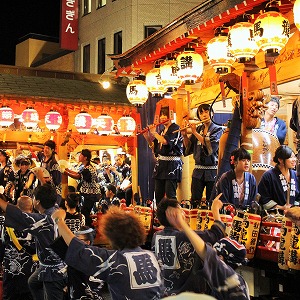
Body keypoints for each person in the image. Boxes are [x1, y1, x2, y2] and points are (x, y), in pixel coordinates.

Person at [51, 206, 163, 300]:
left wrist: (59, 220)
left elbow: (80, 250)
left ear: (113, 237)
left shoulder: (114, 260)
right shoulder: (152, 256)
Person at [166, 204, 250, 300]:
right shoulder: (237, 280)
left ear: (221, 258)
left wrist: (182, 223)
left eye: (214, 252)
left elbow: (205, 252)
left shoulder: (227, 277)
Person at [0, 184, 67, 300]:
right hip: (54, 263)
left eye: (34, 197)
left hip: (53, 270)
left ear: (37, 202)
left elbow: (18, 215)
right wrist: (42, 178)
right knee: (33, 283)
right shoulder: (55, 210)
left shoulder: (41, 220)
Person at [151, 195, 225, 296]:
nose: (184, 213)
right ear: (172, 215)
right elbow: (216, 234)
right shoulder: (184, 236)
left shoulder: (156, 236)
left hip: (164, 294)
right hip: (188, 295)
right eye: (180, 211)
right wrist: (215, 210)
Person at [182, 104, 223, 208]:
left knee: (211, 200)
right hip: (198, 171)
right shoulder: (199, 128)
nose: (204, 115)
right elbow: (188, 148)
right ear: (199, 116)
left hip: (212, 171)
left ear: (212, 113)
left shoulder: (218, 130)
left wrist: (194, 132)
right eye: (201, 113)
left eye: (207, 111)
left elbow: (210, 147)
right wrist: (184, 136)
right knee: (195, 200)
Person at [1, 196, 39, 300]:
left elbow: (2, 244)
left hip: (11, 269)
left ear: (17, 207)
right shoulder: (38, 223)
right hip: (32, 270)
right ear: (31, 207)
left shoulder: (7, 223)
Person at [149, 106, 183, 205]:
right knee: (158, 194)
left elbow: (165, 142)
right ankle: (160, 217)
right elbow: (155, 148)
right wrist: (148, 136)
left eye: (165, 115)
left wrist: (154, 133)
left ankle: (173, 217)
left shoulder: (175, 128)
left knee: (170, 194)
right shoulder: (162, 130)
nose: (163, 117)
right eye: (161, 115)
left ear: (171, 116)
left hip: (172, 164)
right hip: (161, 165)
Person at [64, 149, 101, 227]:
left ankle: (89, 228)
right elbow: (77, 173)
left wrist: (65, 172)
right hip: (89, 193)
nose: (79, 156)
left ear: (85, 158)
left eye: (81, 155)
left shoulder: (88, 168)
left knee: (85, 212)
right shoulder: (85, 166)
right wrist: (67, 170)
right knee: (85, 211)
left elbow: (78, 176)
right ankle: (88, 227)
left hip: (91, 193)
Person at [66, 226, 105, 300]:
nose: (74, 243)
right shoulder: (75, 256)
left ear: (87, 242)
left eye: (78, 240)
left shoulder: (86, 259)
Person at [258, 145, 300, 210]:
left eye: (294, 157)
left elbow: (298, 197)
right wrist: (282, 208)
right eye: (291, 157)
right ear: (280, 160)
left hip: (293, 215)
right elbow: (264, 198)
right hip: (275, 215)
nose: (294, 160)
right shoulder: (268, 176)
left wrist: (294, 208)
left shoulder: (296, 175)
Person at [40, 140, 62, 204]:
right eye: (44, 148)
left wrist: (49, 179)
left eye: (48, 148)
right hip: (44, 189)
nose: (45, 150)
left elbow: (57, 180)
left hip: (53, 192)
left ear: (52, 150)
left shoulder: (54, 163)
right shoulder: (42, 159)